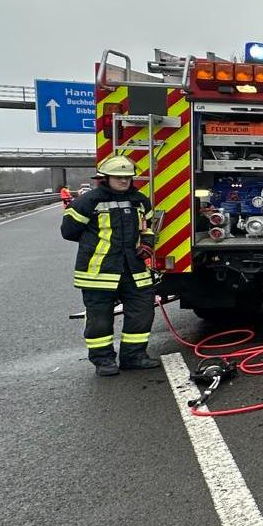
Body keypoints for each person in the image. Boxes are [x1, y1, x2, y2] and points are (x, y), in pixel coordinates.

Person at [60, 156, 161, 375]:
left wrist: (146, 244)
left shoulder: (139, 201)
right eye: (118, 177)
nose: (124, 181)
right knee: (99, 319)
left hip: (134, 269)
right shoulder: (89, 201)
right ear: (105, 178)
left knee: (142, 311)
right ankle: (103, 361)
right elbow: (68, 231)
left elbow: (148, 227)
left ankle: (134, 356)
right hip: (99, 271)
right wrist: (94, 243)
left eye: (127, 177)